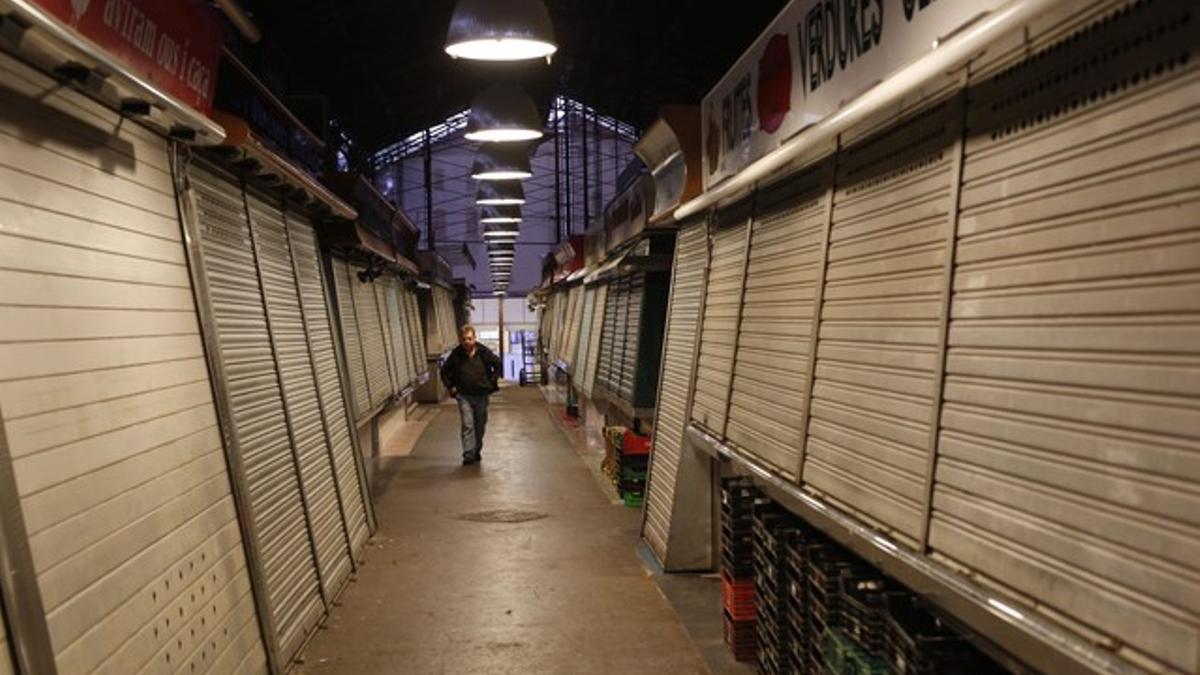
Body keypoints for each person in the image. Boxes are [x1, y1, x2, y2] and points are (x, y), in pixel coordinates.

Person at [440, 325, 502, 465]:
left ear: (474, 338)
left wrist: (491, 382)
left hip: (481, 395)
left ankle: (476, 450)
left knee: (480, 425)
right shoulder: (456, 354)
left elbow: (498, 364)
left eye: (469, 338)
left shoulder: (483, 352)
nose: (467, 342)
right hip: (464, 395)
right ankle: (468, 453)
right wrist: (451, 386)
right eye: (464, 339)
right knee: (468, 424)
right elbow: (445, 371)